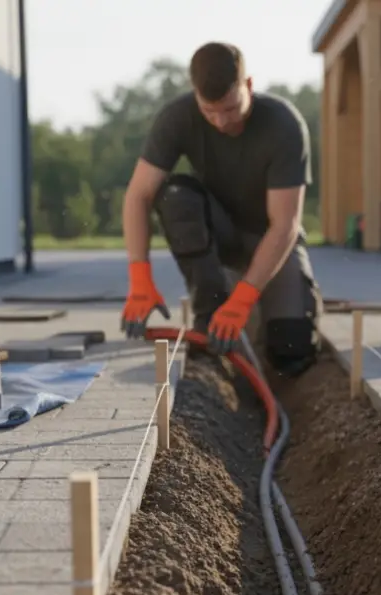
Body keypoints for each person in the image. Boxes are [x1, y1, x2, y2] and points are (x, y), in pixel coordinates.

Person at [118, 41, 321, 377]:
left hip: (270, 239)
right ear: (195, 94)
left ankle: (264, 327)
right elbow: (138, 196)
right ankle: (210, 313)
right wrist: (140, 279)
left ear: (249, 85)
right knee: (175, 196)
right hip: (221, 233)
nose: (220, 122)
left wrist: (243, 300)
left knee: (292, 350)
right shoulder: (177, 118)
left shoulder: (284, 125)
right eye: (209, 111)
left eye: (229, 109)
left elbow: (284, 225)